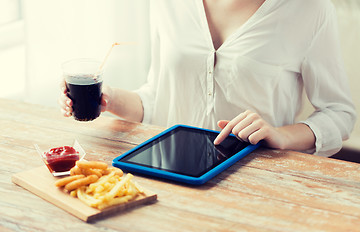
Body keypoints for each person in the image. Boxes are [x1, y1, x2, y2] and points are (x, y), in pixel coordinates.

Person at [59, 0, 356, 157]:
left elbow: (340, 114)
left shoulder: (310, 9)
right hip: (171, 170)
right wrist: (107, 97)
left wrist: (281, 135)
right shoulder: (169, 4)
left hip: (257, 178)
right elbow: (160, 97)